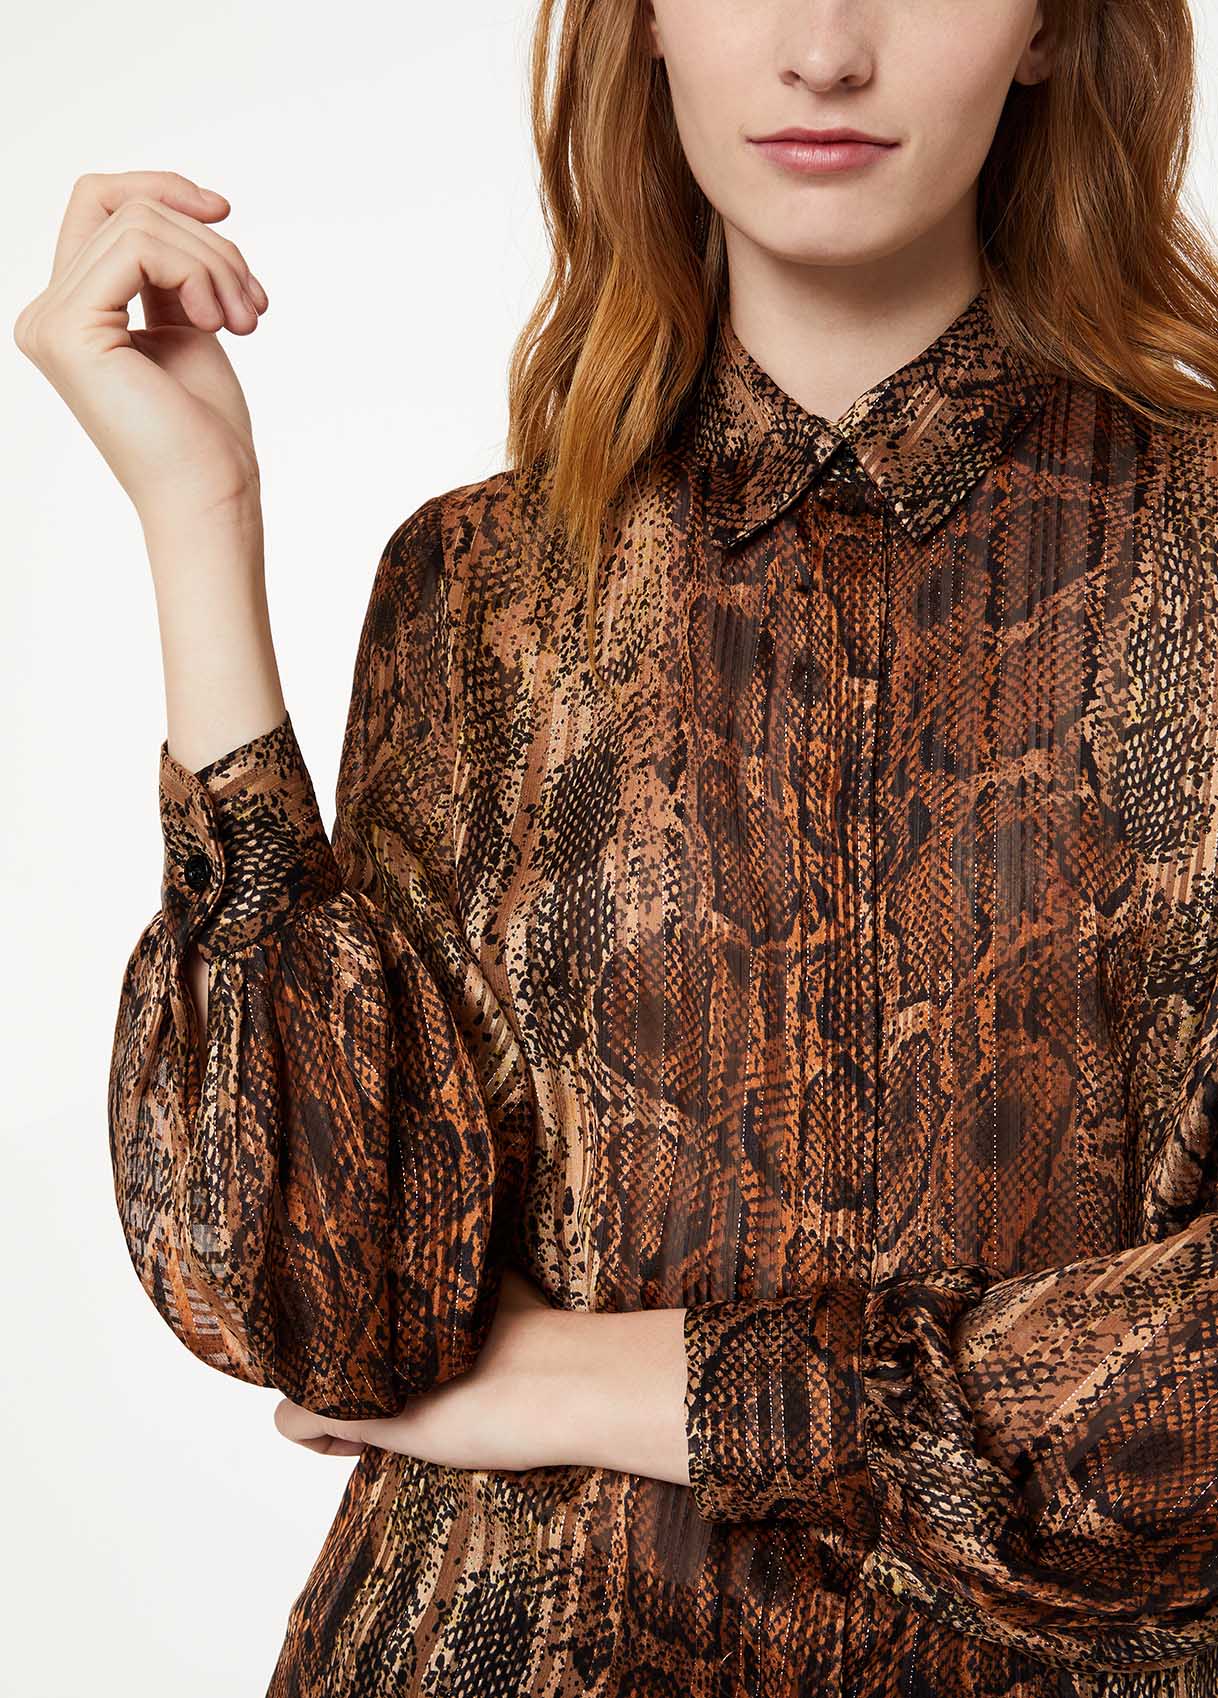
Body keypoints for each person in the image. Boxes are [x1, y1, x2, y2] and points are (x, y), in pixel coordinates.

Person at [15, 0, 1218, 1690]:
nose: (823, 51)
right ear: (644, 22)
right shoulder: (479, 589)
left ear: (1046, 29)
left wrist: (594, 1383)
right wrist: (199, 520)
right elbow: (331, 1316)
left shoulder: (1192, 561)